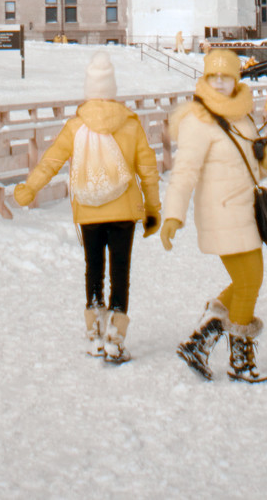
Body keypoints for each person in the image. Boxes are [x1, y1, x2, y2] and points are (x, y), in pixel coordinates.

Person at [13, 51, 161, 364]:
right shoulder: (131, 125)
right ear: (113, 90)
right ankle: (115, 338)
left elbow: (51, 161)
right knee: (120, 272)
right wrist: (152, 208)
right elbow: (148, 169)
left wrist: (29, 189)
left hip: (89, 212)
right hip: (123, 211)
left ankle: (94, 332)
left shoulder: (75, 126)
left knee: (94, 268)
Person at [159, 48, 267, 383]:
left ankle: (205, 336)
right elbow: (184, 172)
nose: (219, 82)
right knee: (250, 280)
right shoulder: (199, 121)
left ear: (236, 78)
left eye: (226, 76)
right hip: (221, 212)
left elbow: (250, 168)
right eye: (213, 76)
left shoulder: (242, 116)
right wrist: (173, 215)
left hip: (245, 210)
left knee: (248, 279)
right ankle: (238, 359)